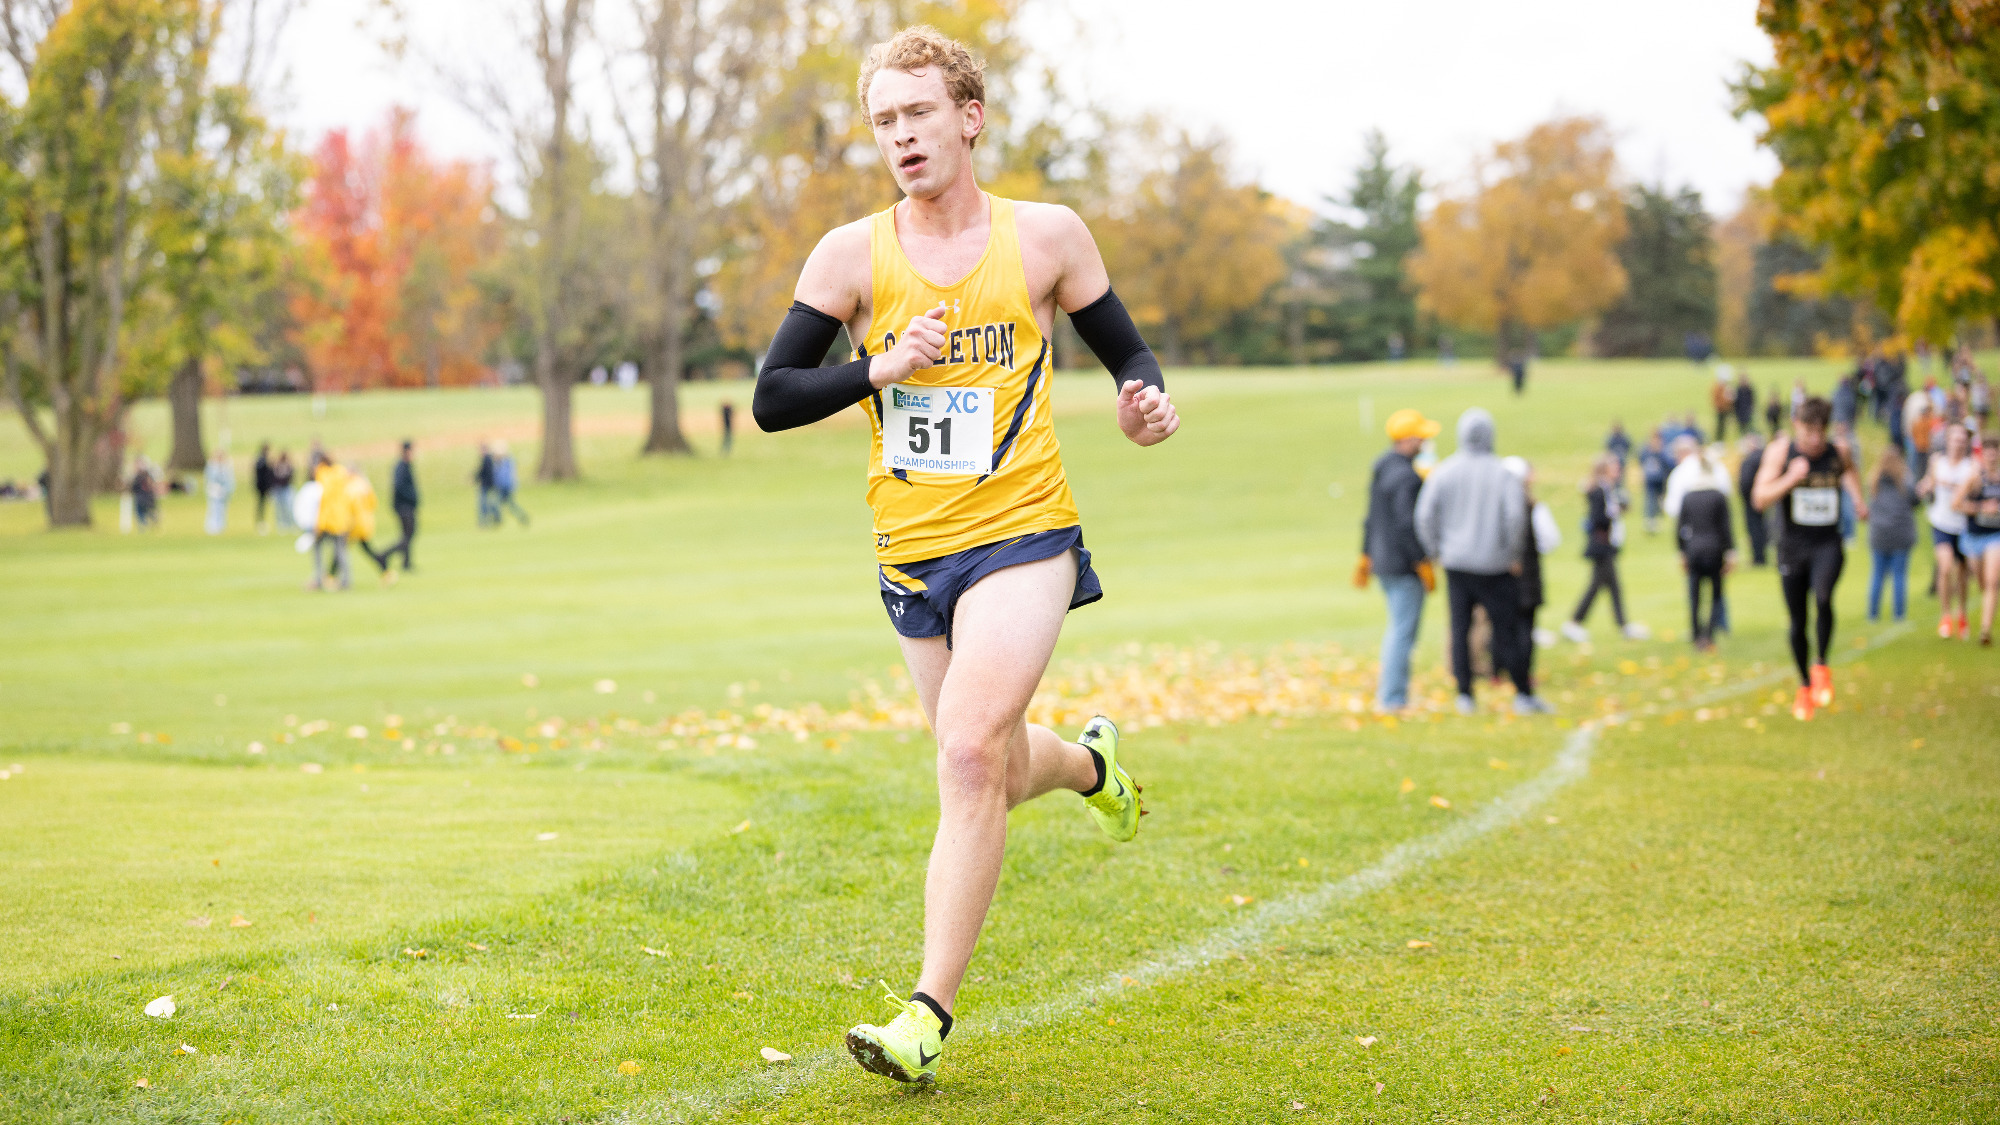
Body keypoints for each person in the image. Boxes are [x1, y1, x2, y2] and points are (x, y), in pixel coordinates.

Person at [748, 26, 1176, 1085]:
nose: (900, 136)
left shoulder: (1045, 238)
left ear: (968, 118)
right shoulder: (851, 257)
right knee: (984, 754)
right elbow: (770, 398)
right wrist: (879, 365)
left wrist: (1140, 398)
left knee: (965, 756)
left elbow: (1122, 345)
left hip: (1022, 530)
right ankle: (1088, 765)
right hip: (910, 550)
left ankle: (924, 1014)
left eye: (918, 113)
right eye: (884, 121)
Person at [1414, 408, 1551, 716]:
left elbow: (1424, 515)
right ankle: (1522, 693)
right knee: (1506, 629)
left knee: (1460, 627)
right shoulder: (1501, 473)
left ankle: (1465, 693)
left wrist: (1436, 549)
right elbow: (1515, 518)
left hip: (1457, 563)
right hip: (1495, 565)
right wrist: (1512, 555)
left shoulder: (1444, 472)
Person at [1752, 396, 1868, 720]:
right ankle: (1804, 687)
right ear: (1796, 427)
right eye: (1808, 433)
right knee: (1797, 621)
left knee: (1823, 596)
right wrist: (1790, 477)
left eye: (1820, 432)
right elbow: (1759, 498)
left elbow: (1849, 473)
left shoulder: (1838, 452)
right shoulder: (1781, 453)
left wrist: (1858, 501)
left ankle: (1821, 666)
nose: (1815, 440)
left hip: (1827, 543)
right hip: (1792, 546)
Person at [1359, 409, 1438, 712]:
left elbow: (1370, 518)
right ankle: (1392, 698)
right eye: (1421, 437)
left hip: (1382, 560)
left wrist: (1365, 554)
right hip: (1403, 564)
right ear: (1406, 440)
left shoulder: (1382, 468)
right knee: (1402, 631)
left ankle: (1394, 694)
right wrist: (1422, 560)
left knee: (1398, 628)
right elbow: (1407, 524)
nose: (1425, 442)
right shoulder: (1406, 477)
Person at [1562, 454, 1646, 643]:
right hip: (1601, 545)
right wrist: (1615, 512)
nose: (1617, 470)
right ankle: (1574, 623)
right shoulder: (1599, 491)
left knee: (1612, 586)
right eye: (1614, 466)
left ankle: (1623, 625)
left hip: (1607, 545)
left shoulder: (1607, 489)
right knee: (1597, 586)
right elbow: (1598, 518)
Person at [1673, 447, 1736, 652]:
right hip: (1715, 548)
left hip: (1693, 549)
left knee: (1694, 594)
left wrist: (1681, 551)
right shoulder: (1718, 496)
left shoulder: (1688, 496)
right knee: (1716, 594)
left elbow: (1679, 526)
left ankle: (1696, 633)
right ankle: (1708, 635)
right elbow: (1726, 527)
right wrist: (1730, 552)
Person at [1918, 423, 1975, 638]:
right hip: (1940, 522)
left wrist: (1952, 487)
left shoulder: (1971, 467)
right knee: (1945, 567)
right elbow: (1929, 481)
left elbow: (1973, 488)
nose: (1958, 442)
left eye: (1962, 439)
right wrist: (1925, 486)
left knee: (1962, 574)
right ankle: (1945, 615)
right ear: (1948, 440)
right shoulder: (1937, 461)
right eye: (1954, 438)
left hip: (1963, 525)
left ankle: (1962, 612)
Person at [1504, 455, 1561, 665]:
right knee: (1525, 627)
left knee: (1503, 626)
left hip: (1501, 576)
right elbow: (1551, 539)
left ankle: (1499, 671)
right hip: (1528, 576)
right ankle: (1522, 675)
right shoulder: (1533, 507)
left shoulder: (1496, 507)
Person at [1866, 444, 1918, 623]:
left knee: (1877, 574)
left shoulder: (1873, 481)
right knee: (1899, 575)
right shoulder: (1905, 481)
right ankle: (1899, 614)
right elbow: (1916, 501)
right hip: (1900, 534)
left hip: (1879, 534)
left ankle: (1873, 614)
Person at [364, 440, 420, 582]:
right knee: (407, 537)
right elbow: (399, 486)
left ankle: (406, 563)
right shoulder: (401, 467)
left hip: (406, 506)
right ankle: (385, 555)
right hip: (404, 506)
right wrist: (411, 497)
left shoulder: (405, 466)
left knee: (408, 535)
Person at [308, 454, 355, 592]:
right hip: (343, 519)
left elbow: (324, 503)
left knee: (317, 547)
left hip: (329, 521)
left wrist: (319, 524)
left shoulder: (323, 476)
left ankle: (318, 579)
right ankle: (346, 580)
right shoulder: (340, 473)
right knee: (341, 551)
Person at [1737, 431, 1770, 566]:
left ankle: (1759, 558)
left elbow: (1746, 481)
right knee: (1761, 526)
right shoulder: (1762, 457)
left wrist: (1747, 497)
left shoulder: (1752, 459)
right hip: (1759, 498)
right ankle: (1760, 556)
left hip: (1753, 500)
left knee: (1755, 528)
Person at [1638, 430, 1671, 535]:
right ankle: (1650, 521)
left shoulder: (1662, 450)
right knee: (1651, 500)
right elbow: (1641, 458)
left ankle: (1657, 519)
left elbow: (1668, 463)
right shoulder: (1646, 450)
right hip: (1650, 479)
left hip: (1660, 479)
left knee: (1659, 500)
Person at [491, 440, 530, 526]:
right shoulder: (499, 463)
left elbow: (504, 477)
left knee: (496, 504)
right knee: (510, 505)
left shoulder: (506, 462)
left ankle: (498, 521)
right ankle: (522, 517)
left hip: (506, 487)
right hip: (504, 487)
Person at [203, 448, 234, 535]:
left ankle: (220, 526)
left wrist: (227, 489)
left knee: (222, 509)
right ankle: (212, 526)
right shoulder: (212, 466)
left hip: (223, 491)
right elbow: (209, 479)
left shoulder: (226, 467)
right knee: (213, 508)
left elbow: (229, 480)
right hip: (214, 491)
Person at [473, 443, 498, 526]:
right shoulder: (489, 459)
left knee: (483, 504)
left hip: (486, 485)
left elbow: (484, 472)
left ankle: (484, 521)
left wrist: (476, 478)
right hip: (489, 484)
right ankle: (494, 518)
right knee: (489, 503)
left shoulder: (487, 459)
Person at [253, 444, 276, 533]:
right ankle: (261, 522)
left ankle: (262, 521)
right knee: (261, 505)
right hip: (262, 486)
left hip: (262, 486)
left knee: (262, 505)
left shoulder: (261, 460)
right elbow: (264, 475)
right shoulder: (262, 461)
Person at [1734, 369, 1757, 436]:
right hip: (1740, 412)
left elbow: (1752, 400)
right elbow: (1736, 402)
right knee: (1741, 428)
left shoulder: (1749, 389)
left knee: (1749, 428)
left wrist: (1751, 409)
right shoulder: (1738, 389)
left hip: (1747, 411)